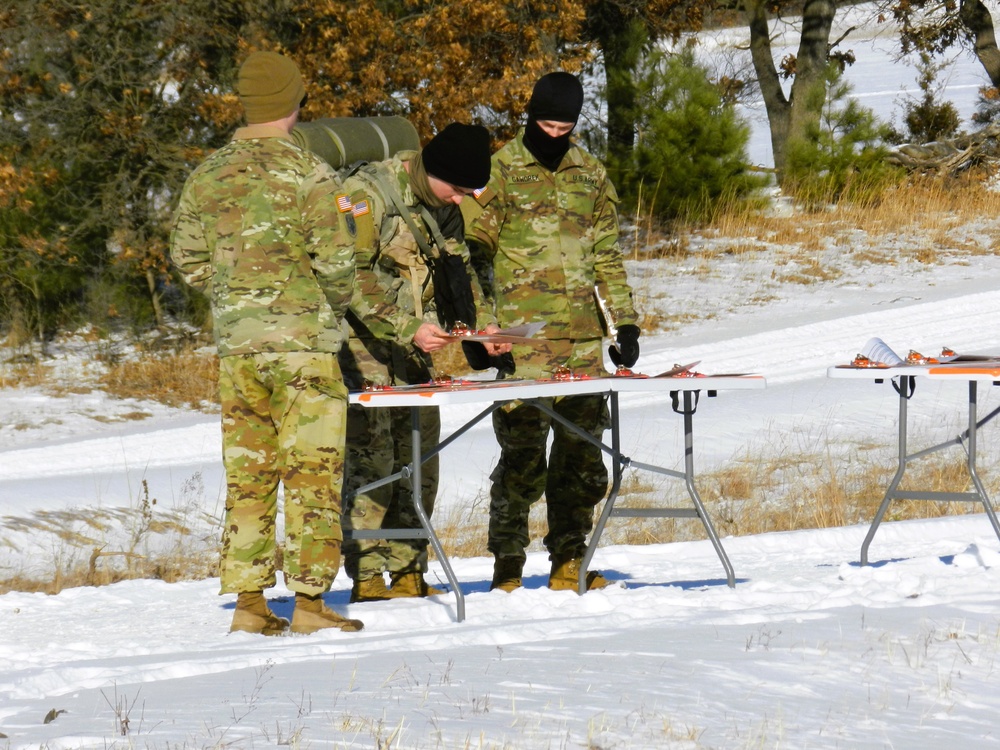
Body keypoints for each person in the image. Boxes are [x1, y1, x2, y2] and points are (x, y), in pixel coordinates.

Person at [170, 50, 364, 635]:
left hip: (239, 351)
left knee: (249, 478)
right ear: (295, 103)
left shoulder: (207, 174)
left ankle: (250, 607)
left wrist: (236, 300)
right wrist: (314, 307)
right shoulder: (310, 173)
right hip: (303, 349)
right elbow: (337, 265)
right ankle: (308, 605)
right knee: (313, 474)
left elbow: (186, 257)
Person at [466, 72, 641, 593]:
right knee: (521, 458)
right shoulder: (496, 171)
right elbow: (472, 256)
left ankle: (570, 560)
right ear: (530, 115)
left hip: (583, 344)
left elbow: (607, 253)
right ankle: (507, 566)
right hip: (523, 343)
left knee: (581, 458)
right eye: (547, 123)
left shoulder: (590, 173)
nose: (556, 132)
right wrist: (480, 329)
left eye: (565, 125)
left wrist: (625, 321)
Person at [339, 122, 509, 603]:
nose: (459, 200)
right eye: (456, 189)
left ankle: (410, 568)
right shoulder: (366, 195)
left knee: (419, 460)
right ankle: (368, 576)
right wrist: (403, 326)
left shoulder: (444, 207)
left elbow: (460, 272)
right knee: (371, 462)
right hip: (363, 350)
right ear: (431, 171)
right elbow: (348, 278)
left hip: (415, 354)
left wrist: (486, 327)